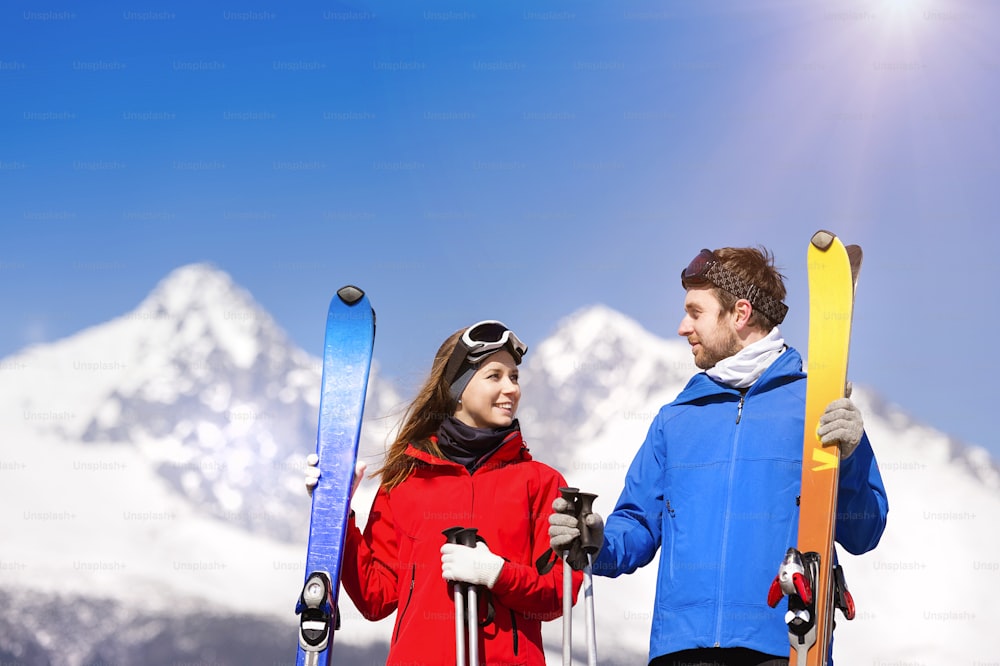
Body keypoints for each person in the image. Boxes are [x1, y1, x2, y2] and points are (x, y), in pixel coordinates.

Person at [549, 246, 889, 666]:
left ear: (740, 314)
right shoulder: (676, 419)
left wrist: (851, 456)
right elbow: (637, 524)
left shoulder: (814, 405)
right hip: (680, 651)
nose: (681, 327)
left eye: (695, 312)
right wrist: (595, 542)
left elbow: (865, 531)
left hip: (784, 646)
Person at [307, 320, 582, 665]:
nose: (511, 389)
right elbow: (376, 597)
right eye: (494, 376)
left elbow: (558, 593)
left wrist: (497, 573)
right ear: (457, 389)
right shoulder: (406, 479)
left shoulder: (541, 483)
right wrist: (337, 515)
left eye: (514, 377)